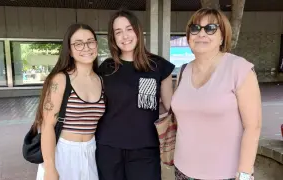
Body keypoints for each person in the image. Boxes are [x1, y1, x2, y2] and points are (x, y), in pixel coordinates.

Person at [171, 8, 262, 180]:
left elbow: (253, 127)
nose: (201, 34)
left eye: (210, 28)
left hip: (225, 174)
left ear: (222, 36)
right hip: (183, 170)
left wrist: (244, 174)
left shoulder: (239, 69)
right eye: (195, 28)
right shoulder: (184, 70)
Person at [96, 9, 175, 180]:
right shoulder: (106, 68)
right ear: (113, 38)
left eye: (129, 29)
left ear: (138, 31)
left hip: (145, 149)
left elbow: (171, 108)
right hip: (109, 148)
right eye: (118, 32)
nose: (125, 36)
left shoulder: (159, 66)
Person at [33, 23, 105, 180]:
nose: (86, 47)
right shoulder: (61, 79)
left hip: (91, 152)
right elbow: (47, 125)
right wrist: (50, 168)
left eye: (90, 41)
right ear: (70, 50)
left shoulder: (101, 80)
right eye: (78, 44)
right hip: (63, 152)